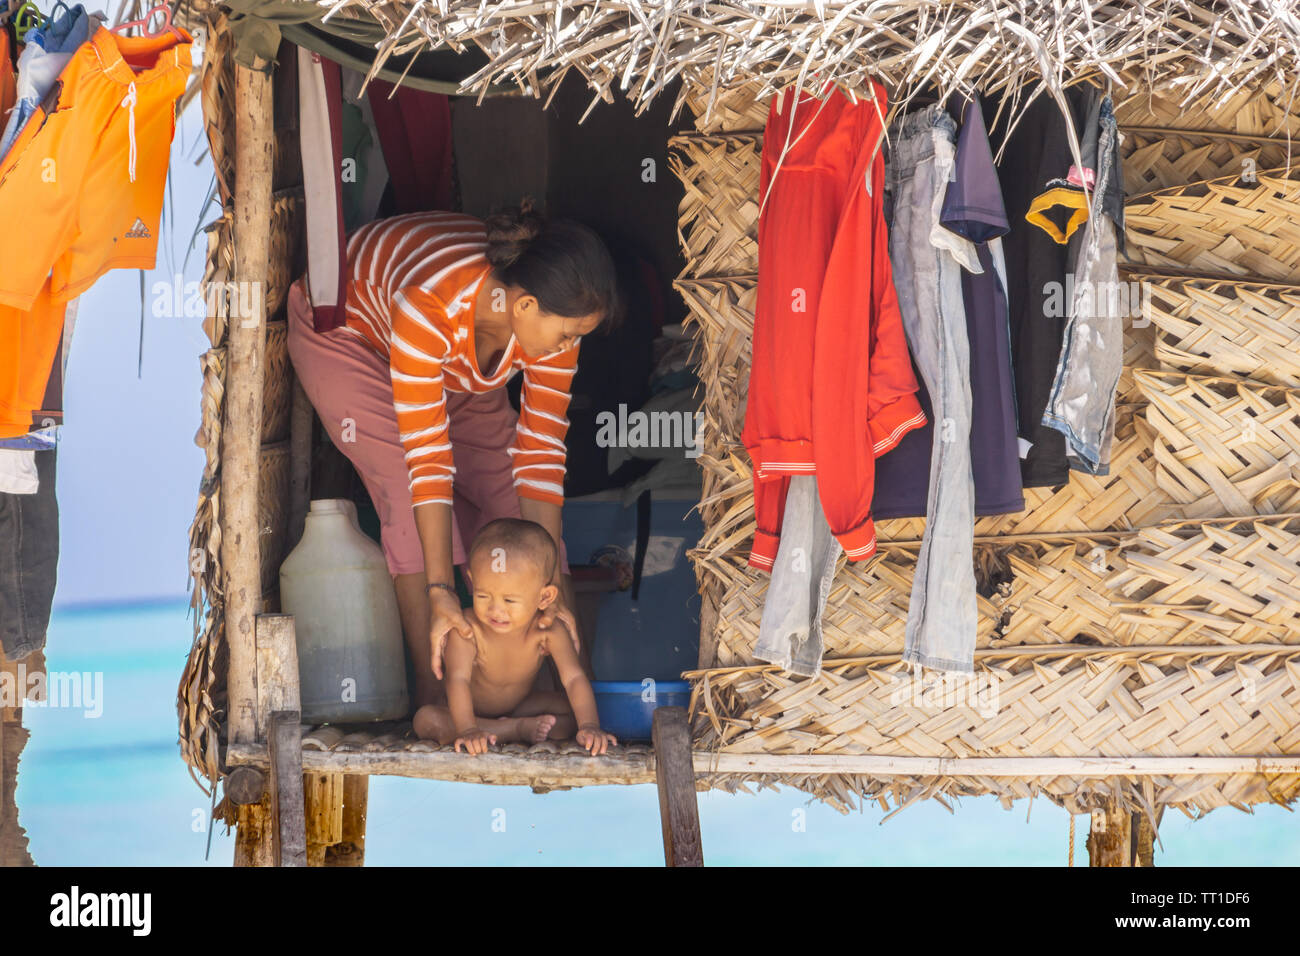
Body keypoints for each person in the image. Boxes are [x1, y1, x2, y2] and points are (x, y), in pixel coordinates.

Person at [287, 199, 622, 713]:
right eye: (567, 336)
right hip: (350, 331)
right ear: (525, 307)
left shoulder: (548, 323)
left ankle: (563, 690)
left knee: (509, 490)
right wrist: (443, 590)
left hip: (454, 355)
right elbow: (428, 463)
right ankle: (436, 692)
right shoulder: (431, 305)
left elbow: (540, 456)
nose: (569, 349)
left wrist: (552, 587)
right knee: (402, 483)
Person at [412, 518, 618, 756]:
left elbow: (573, 678)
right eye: (483, 596)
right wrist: (467, 728)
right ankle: (512, 729)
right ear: (472, 580)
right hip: (465, 714)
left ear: (545, 598)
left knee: (573, 709)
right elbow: (458, 681)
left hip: (520, 706)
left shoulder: (547, 630)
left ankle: (514, 727)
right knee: (426, 719)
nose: (496, 610)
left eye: (509, 600)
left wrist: (589, 726)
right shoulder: (468, 629)